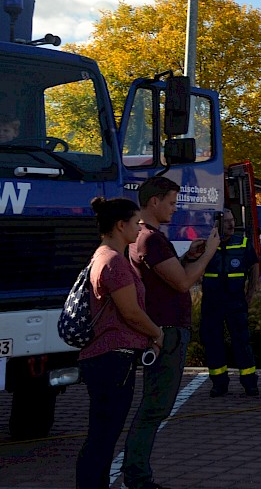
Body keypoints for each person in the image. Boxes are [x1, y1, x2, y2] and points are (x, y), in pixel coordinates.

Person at [122, 176, 220, 489]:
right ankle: (137, 476)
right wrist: (208, 254)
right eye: (172, 203)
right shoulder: (150, 238)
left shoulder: (143, 237)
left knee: (155, 406)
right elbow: (180, 282)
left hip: (165, 330)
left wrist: (187, 257)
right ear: (154, 201)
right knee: (155, 408)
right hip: (167, 333)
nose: (175, 210)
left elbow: (168, 275)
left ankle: (136, 473)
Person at [75, 197, 164, 489]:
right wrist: (156, 333)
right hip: (112, 360)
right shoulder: (113, 262)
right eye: (136, 222)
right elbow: (131, 312)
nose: (140, 228)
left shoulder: (104, 256)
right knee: (102, 437)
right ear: (120, 225)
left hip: (106, 359)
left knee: (103, 435)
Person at [200, 208, 260, 397]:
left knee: (242, 342)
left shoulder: (242, 243)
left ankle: (250, 383)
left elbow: (254, 266)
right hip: (212, 303)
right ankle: (219, 383)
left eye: (232, 220)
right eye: (226, 221)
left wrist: (250, 293)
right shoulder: (206, 245)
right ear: (216, 224)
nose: (231, 224)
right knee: (213, 343)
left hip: (236, 302)